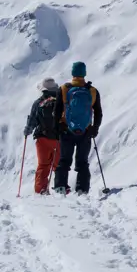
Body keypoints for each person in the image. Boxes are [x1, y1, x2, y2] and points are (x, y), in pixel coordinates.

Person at [52, 62, 104, 195]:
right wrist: (95, 128)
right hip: (85, 131)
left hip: (66, 130)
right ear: (84, 73)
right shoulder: (92, 91)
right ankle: (82, 189)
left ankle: (60, 187)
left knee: (64, 160)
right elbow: (98, 112)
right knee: (82, 162)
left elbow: (56, 111)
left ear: (72, 73)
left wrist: (58, 127)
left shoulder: (64, 89)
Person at [23, 78, 63, 195]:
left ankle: (40, 191)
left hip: (42, 139)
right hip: (58, 139)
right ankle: (61, 189)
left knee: (43, 165)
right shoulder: (62, 101)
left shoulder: (38, 103)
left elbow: (32, 121)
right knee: (59, 166)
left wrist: (27, 130)